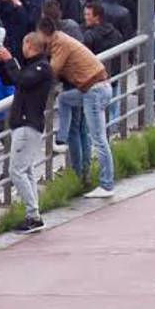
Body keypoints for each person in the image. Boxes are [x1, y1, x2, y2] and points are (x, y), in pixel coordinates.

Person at [39, 15, 115, 198]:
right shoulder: (61, 40)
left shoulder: (60, 44)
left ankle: (107, 184)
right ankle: (62, 139)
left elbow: (53, 71)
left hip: (94, 90)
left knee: (98, 138)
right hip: (95, 87)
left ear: (44, 33)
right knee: (64, 99)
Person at [0, 33, 54, 232]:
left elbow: (22, 80)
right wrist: (2, 63)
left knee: (16, 171)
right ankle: (34, 214)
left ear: (29, 45)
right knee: (26, 170)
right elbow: (11, 80)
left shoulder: (42, 68)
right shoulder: (31, 66)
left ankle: (33, 215)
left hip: (27, 124)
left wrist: (9, 61)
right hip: (24, 124)